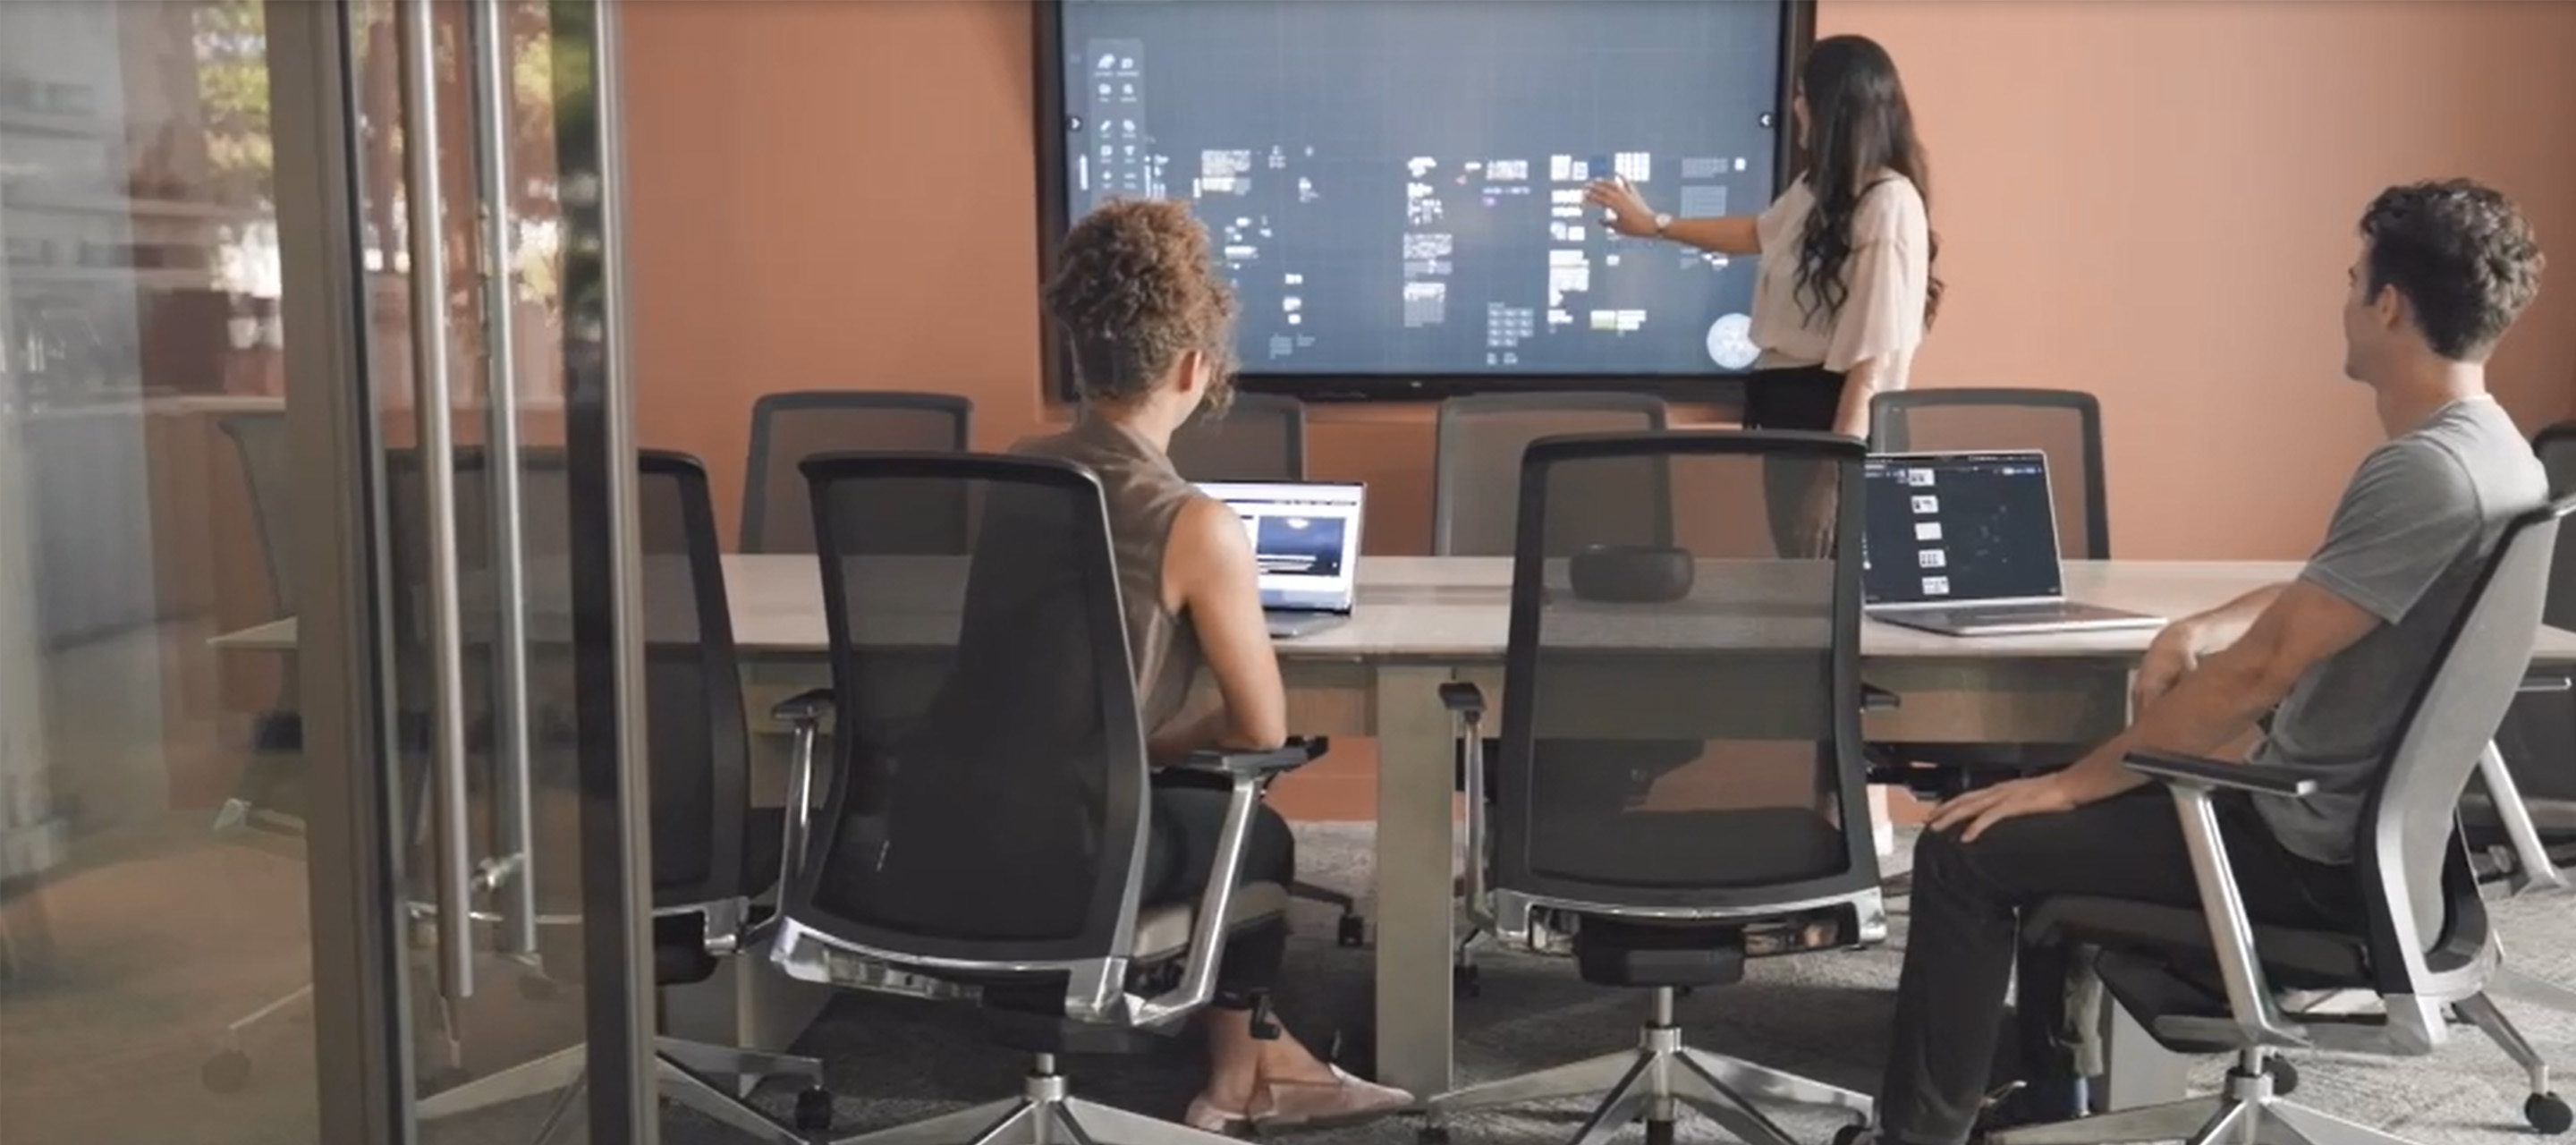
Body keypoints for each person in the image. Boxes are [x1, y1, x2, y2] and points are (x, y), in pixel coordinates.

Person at [1860, 178, 2548, 1145]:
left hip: (2306, 853)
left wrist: (2076, 781)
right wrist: (2197, 628)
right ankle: (2056, 1103)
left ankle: (1917, 1135)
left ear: (2389, 303)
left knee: (1967, 844)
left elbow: (2263, 672)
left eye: (2353, 280)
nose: (2345, 299)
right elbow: (2324, 592)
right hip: (2374, 847)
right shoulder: (2495, 453)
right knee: (2050, 806)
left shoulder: (2422, 469)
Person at [1015, 198, 1413, 1134]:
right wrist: (1149, 740)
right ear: (1194, 368)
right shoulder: (1194, 521)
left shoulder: (1016, 474)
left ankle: (1262, 1064)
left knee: (1209, 818)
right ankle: (1238, 1076)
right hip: (1082, 841)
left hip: (956, 818)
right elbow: (1260, 730)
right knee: (1256, 829)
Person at [1587, 33, 1938, 554]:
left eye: (1802, 96)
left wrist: (1832, 477)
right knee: (1800, 577)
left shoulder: (1887, 203)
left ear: (1830, 107)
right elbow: (1760, 232)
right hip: (1793, 415)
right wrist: (1656, 225)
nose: (1795, 107)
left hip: (1834, 423)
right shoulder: (1817, 189)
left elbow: (1871, 362)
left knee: (1828, 589)